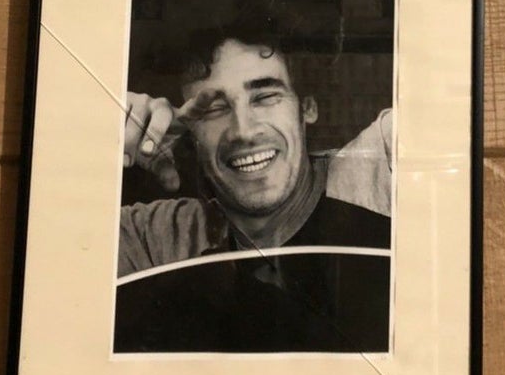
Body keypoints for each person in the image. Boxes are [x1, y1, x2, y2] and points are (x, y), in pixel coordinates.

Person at [114, 19, 394, 352]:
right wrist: (100, 128)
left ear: (306, 108)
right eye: (213, 109)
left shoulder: (381, 169)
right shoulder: (156, 238)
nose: (243, 131)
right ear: (190, 134)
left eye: (265, 97)